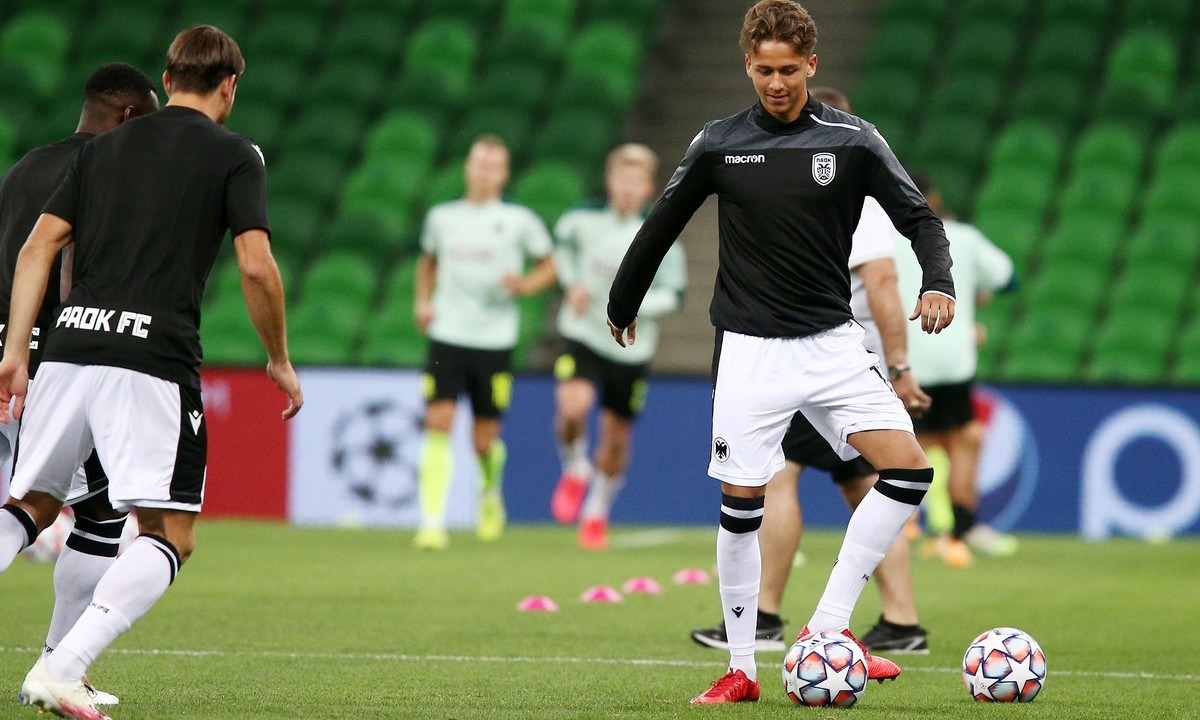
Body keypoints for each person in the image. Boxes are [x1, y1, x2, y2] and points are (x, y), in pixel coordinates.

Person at [607, 1, 955, 704]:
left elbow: (920, 218)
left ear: (811, 65)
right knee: (742, 504)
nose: (776, 83)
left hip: (832, 345)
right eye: (764, 70)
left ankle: (827, 628)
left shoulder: (853, 140)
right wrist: (624, 300)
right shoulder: (719, 143)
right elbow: (661, 224)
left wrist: (938, 282)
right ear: (748, 65)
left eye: (789, 70)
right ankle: (742, 668)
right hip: (750, 351)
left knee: (910, 472)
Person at [0, 25, 303, 720]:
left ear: (167, 81)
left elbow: (37, 248)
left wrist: (16, 352)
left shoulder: (101, 148)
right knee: (170, 533)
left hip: (66, 350)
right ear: (230, 86)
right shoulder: (235, 154)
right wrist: (279, 359)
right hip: (149, 357)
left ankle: (60, 667)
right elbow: (257, 266)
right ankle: (63, 668)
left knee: (31, 508)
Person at [689, 85, 933, 655]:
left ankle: (768, 615)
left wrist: (899, 366)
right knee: (867, 484)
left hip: (823, 357)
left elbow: (883, 283)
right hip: (837, 358)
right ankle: (899, 620)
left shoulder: (851, 190)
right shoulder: (846, 184)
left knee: (783, 478)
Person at [0, 62, 160, 708]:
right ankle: (57, 666)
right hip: (59, 361)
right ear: (127, 117)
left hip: (8, 352)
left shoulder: (23, 169)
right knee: (36, 510)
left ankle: (60, 665)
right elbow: (72, 270)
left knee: (94, 509)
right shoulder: (104, 171)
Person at [413, 134, 556, 550]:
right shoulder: (442, 218)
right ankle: (432, 522)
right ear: (468, 168)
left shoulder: (519, 220)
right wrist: (423, 301)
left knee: (483, 439)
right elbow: (428, 262)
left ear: (504, 174)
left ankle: (490, 494)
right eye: (479, 164)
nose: (484, 172)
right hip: (448, 334)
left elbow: (549, 266)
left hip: (494, 339)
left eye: (493, 166)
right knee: (438, 422)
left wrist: (525, 284)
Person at [548, 144, 687, 550]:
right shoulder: (581, 220)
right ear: (610, 181)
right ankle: (575, 467)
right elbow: (561, 251)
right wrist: (572, 283)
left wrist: (636, 307)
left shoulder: (662, 236)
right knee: (573, 407)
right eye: (622, 179)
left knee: (615, 437)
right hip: (583, 333)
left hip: (629, 347)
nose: (628, 188)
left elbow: (674, 294)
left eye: (636, 181)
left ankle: (597, 511)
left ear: (649, 188)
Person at [895, 173, 1016, 568]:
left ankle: (902, 526)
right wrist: (976, 292)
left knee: (904, 444)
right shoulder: (960, 237)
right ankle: (959, 532)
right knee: (964, 439)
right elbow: (1008, 277)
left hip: (900, 360)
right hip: (949, 358)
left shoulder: (878, 238)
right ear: (935, 197)